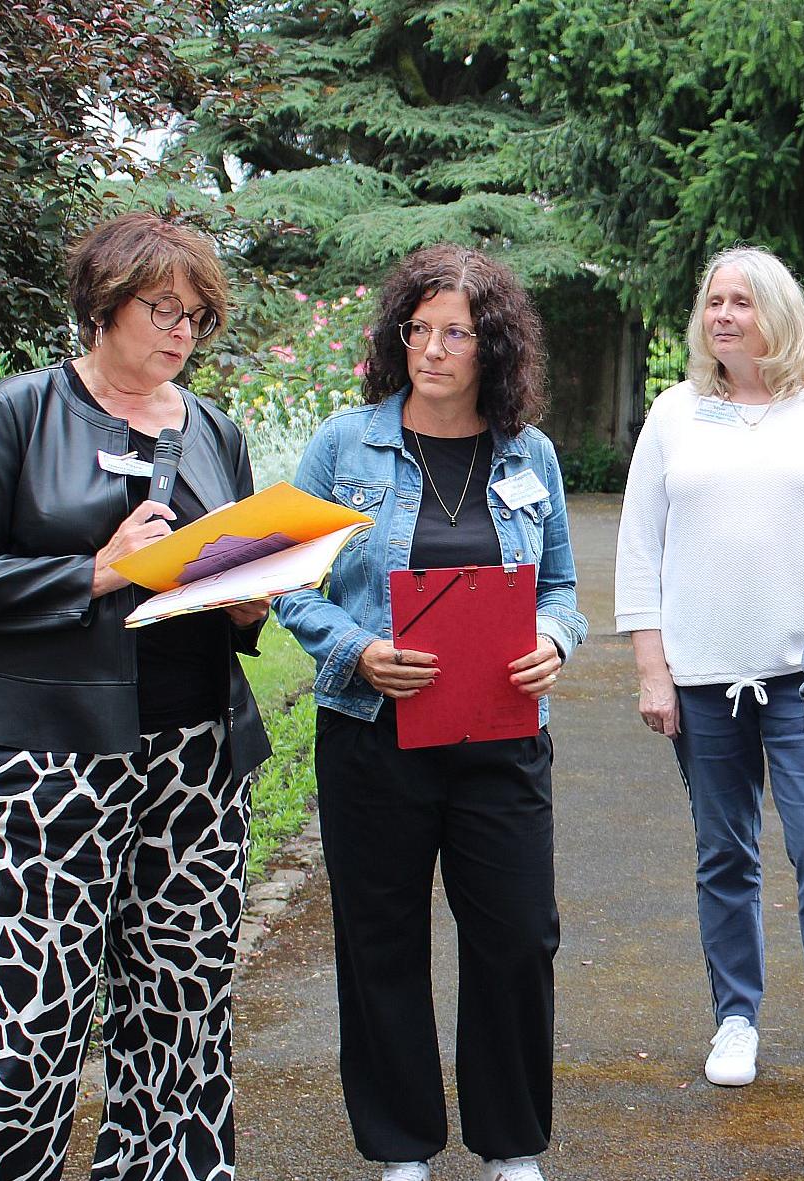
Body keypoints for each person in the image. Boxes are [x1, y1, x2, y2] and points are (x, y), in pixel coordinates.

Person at [0, 211, 271, 1181]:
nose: (182, 332)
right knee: (24, 1006)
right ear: (103, 303)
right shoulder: (18, 411)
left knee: (183, 1002)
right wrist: (97, 572)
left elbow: (222, 576)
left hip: (196, 754)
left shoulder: (213, 430)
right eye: (164, 309)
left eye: (198, 316)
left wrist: (247, 607)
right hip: (46, 757)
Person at [272, 243, 585, 1181]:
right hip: (374, 733)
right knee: (381, 935)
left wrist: (554, 642)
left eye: (456, 333)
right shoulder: (344, 444)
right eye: (420, 328)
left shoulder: (529, 454)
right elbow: (291, 581)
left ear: (493, 347)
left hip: (499, 732)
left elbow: (561, 585)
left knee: (519, 932)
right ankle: (401, 1147)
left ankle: (512, 1145)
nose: (434, 349)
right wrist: (356, 650)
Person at [615, 246, 804, 1090]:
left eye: (742, 302)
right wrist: (653, 668)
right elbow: (639, 545)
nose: (722, 315)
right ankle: (736, 1019)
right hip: (701, 675)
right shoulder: (676, 411)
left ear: (779, 313)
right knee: (724, 851)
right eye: (713, 301)